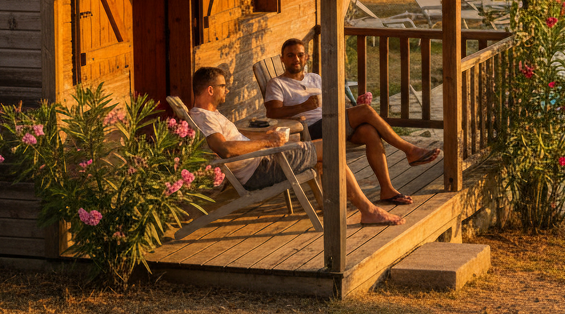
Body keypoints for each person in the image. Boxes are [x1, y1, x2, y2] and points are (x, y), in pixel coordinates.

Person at [188, 67, 404, 226]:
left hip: (264, 159)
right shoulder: (204, 118)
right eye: (223, 86)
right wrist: (266, 143)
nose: (227, 90)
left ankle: (350, 206)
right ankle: (368, 210)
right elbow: (225, 149)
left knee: (323, 149)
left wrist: (265, 135)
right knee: (331, 150)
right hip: (259, 169)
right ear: (209, 89)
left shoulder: (210, 114)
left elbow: (236, 135)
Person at [262, 38, 440, 206]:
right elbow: (273, 112)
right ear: (282, 59)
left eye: (300, 55)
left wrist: (352, 107)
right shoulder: (277, 84)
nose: (296, 59)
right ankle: (409, 150)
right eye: (291, 55)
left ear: (306, 57)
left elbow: (334, 102)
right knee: (365, 112)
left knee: (369, 131)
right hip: (310, 131)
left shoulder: (315, 78)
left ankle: (387, 190)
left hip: (332, 123)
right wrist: (303, 106)